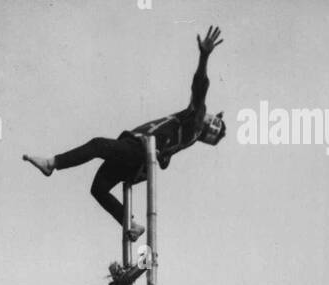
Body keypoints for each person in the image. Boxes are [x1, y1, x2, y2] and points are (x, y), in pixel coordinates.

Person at [23, 26, 226, 232]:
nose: (207, 113)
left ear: (210, 123)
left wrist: (204, 56)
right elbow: (165, 158)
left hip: (136, 149)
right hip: (136, 158)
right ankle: (130, 224)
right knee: (98, 189)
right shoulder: (188, 134)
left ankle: (53, 163)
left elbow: (199, 88)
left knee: (98, 145)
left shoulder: (196, 121)